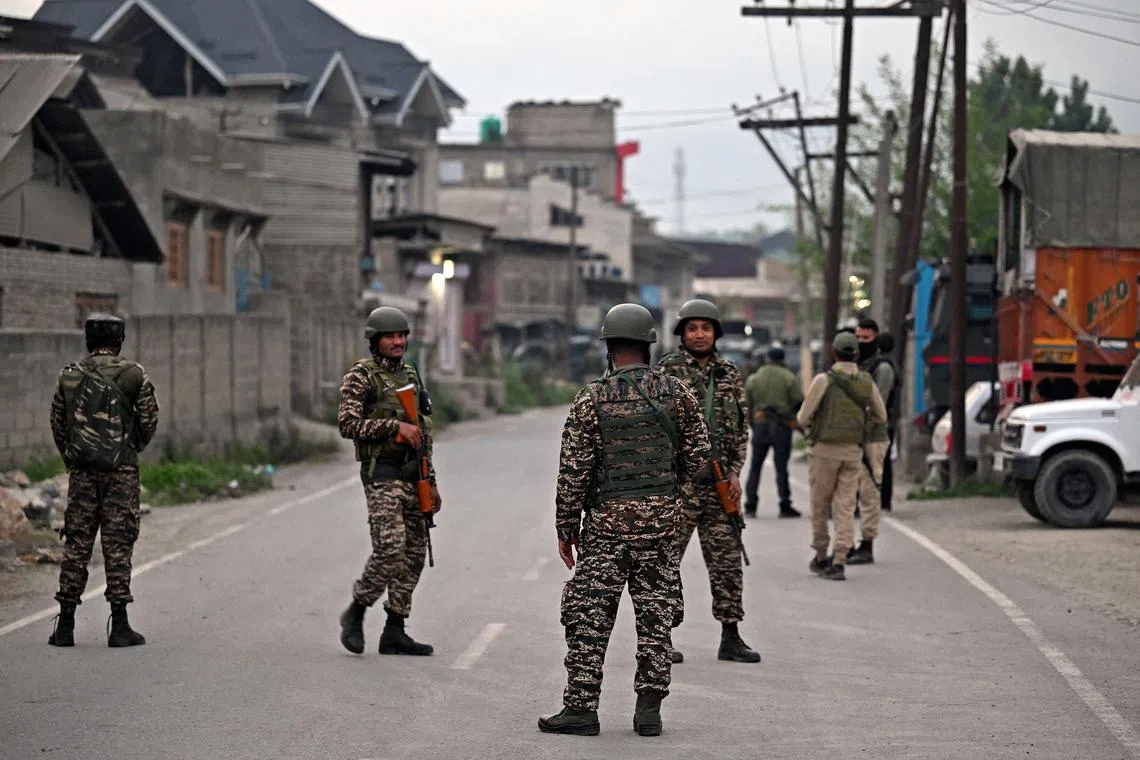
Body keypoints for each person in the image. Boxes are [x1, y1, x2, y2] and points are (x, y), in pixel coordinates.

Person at [539, 304, 711, 737]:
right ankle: (649, 712)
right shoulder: (679, 393)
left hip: (605, 530)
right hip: (660, 527)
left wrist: (566, 528)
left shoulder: (591, 398)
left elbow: (573, 471)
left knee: (588, 617)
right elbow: (698, 462)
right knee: (656, 617)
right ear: (649, 345)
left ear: (609, 347)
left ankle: (581, 708)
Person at [656, 299, 760, 664]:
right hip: (679, 487)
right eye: (692, 328)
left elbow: (740, 428)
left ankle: (730, 635)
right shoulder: (666, 372)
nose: (699, 335)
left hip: (719, 486)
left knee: (727, 561)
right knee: (665, 561)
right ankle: (660, 638)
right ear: (682, 333)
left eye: (706, 328)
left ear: (715, 333)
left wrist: (735, 473)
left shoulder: (729, 372)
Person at [48, 313, 160, 648]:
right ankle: (120, 625)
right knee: (118, 543)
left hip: (82, 473)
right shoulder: (133, 374)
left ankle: (65, 625)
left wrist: (72, 456)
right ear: (120, 339)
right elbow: (149, 419)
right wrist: (131, 448)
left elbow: (57, 421)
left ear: (88, 339)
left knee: (77, 543)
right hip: (120, 474)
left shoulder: (68, 376)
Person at [337, 306, 441, 656]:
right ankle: (356, 611)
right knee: (390, 549)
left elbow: (423, 433)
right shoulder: (361, 377)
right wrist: (393, 427)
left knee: (414, 553)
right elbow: (347, 425)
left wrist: (433, 481)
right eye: (390, 336)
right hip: (382, 473)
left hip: (415, 476)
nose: (398, 342)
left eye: (402, 336)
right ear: (375, 341)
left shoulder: (412, 373)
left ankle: (394, 629)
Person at [796, 332, 887, 581]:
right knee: (845, 507)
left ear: (834, 353)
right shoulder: (866, 382)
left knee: (820, 506)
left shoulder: (824, 380)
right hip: (853, 452)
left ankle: (821, 556)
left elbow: (803, 417)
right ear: (856, 354)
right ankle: (839, 560)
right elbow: (881, 416)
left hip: (824, 451)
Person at [849, 319, 900, 564]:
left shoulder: (883, 368)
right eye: (858, 337)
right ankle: (848, 543)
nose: (861, 342)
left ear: (876, 338)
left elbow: (877, 404)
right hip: (855, 435)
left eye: (866, 338)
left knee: (870, 491)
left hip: (875, 435)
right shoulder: (858, 365)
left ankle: (867, 544)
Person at [743, 345, 804, 519]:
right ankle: (785, 505)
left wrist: (753, 424)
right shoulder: (789, 377)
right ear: (783, 359)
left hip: (760, 426)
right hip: (782, 427)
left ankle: (750, 505)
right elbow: (798, 401)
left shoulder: (754, 378)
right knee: (781, 468)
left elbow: (746, 404)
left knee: (755, 467)